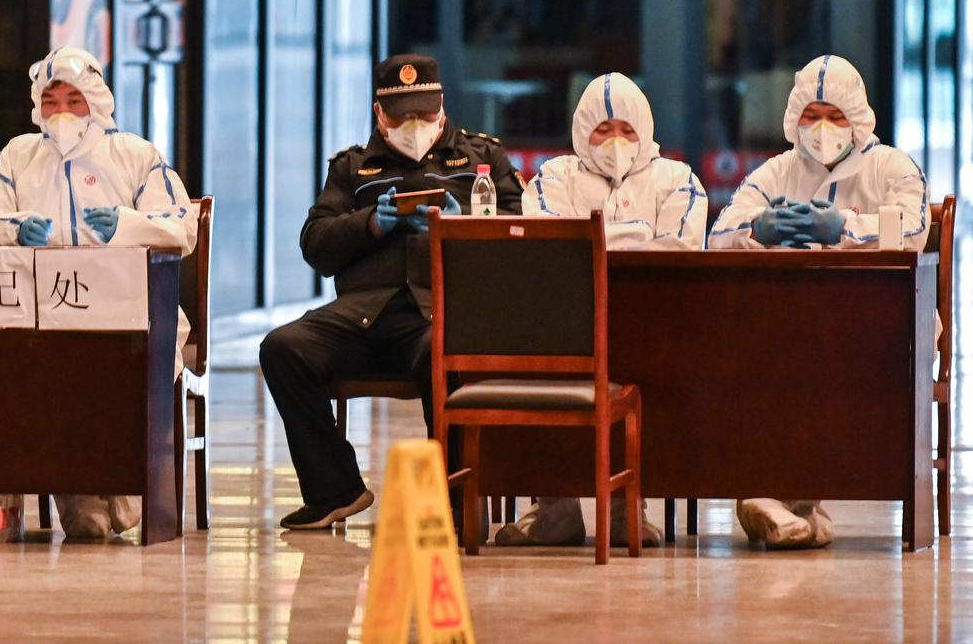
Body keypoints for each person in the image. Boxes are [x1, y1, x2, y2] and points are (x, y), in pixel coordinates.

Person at [259, 54, 524, 530]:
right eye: (402, 115)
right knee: (283, 348)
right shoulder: (352, 168)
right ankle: (334, 489)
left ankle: (454, 498)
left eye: (424, 113)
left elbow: (521, 237)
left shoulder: (483, 158)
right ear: (380, 114)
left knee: (449, 356)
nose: (415, 125)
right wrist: (371, 224)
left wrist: (459, 225)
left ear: (442, 107)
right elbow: (315, 245)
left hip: (441, 315)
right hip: (362, 315)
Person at [0, 46, 197, 540]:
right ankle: (80, 494)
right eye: (51, 101)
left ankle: (120, 487)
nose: (62, 112)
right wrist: (13, 228)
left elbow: (181, 225)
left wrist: (127, 226)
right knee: (43, 374)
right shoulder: (18, 156)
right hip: (37, 318)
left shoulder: (135, 155)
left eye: (74, 99)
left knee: (108, 373)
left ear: (96, 100)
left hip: (132, 315)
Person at [709, 54, 929, 549]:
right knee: (768, 357)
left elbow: (914, 230)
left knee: (805, 362)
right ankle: (794, 508)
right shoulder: (777, 172)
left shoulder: (892, 167)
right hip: (791, 324)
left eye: (835, 116)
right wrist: (756, 230)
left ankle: (774, 498)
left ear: (858, 118)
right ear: (793, 118)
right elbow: (720, 233)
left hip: (880, 325)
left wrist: (847, 228)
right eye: (812, 115)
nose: (823, 128)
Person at [499, 72, 706, 548]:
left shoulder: (677, 179)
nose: (615, 142)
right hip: (564, 328)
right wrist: (635, 235)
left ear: (645, 130)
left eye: (627, 130)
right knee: (536, 361)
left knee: (652, 372)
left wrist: (596, 236)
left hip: (656, 329)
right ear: (581, 132)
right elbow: (551, 242)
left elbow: (680, 246)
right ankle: (553, 507)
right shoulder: (554, 177)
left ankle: (627, 505)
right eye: (602, 130)